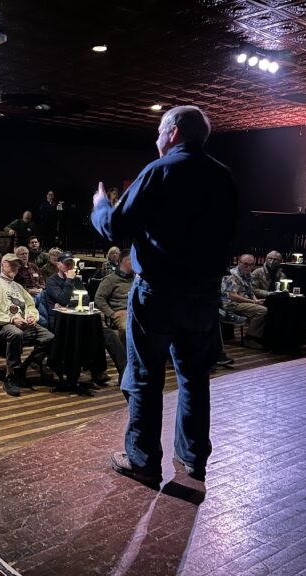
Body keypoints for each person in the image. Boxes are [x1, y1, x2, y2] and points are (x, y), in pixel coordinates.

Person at [91, 105, 238, 486]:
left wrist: (100, 206)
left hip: (158, 294)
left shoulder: (160, 170)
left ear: (172, 132)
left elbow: (116, 227)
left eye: (159, 130)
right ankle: (193, 458)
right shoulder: (224, 177)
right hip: (204, 296)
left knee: (145, 375)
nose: (157, 138)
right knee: (194, 377)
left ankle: (142, 459)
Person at [0, 253, 54, 397]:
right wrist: (12, 320)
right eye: (11, 264)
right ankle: (10, 375)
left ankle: (24, 367)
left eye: (16, 265)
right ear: (3, 265)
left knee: (49, 337)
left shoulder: (18, 287)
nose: (14, 267)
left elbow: (30, 305)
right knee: (16, 334)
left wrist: (32, 317)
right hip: (3, 324)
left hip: (24, 323)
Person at [221, 254, 268, 349]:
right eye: (245, 264)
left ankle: (263, 337)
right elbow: (232, 296)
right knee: (262, 310)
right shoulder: (231, 275)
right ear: (239, 263)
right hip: (231, 304)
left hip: (242, 302)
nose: (248, 267)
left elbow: (250, 291)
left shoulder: (247, 275)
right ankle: (250, 339)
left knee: (270, 305)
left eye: (251, 264)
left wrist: (256, 300)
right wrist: (253, 302)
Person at [94, 250, 134, 341]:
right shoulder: (111, 279)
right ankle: (125, 354)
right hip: (122, 313)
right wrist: (112, 314)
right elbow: (99, 298)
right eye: (134, 260)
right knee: (127, 328)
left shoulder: (136, 278)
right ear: (125, 261)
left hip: (137, 312)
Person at [44, 251, 85, 328]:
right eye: (66, 263)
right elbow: (63, 300)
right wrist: (69, 280)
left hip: (75, 314)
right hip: (58, 318)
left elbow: (86, 299)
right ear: (58, 265)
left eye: (71, 263)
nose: (69, 266)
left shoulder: (76, 280)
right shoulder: (52, 281)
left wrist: (68, 305)